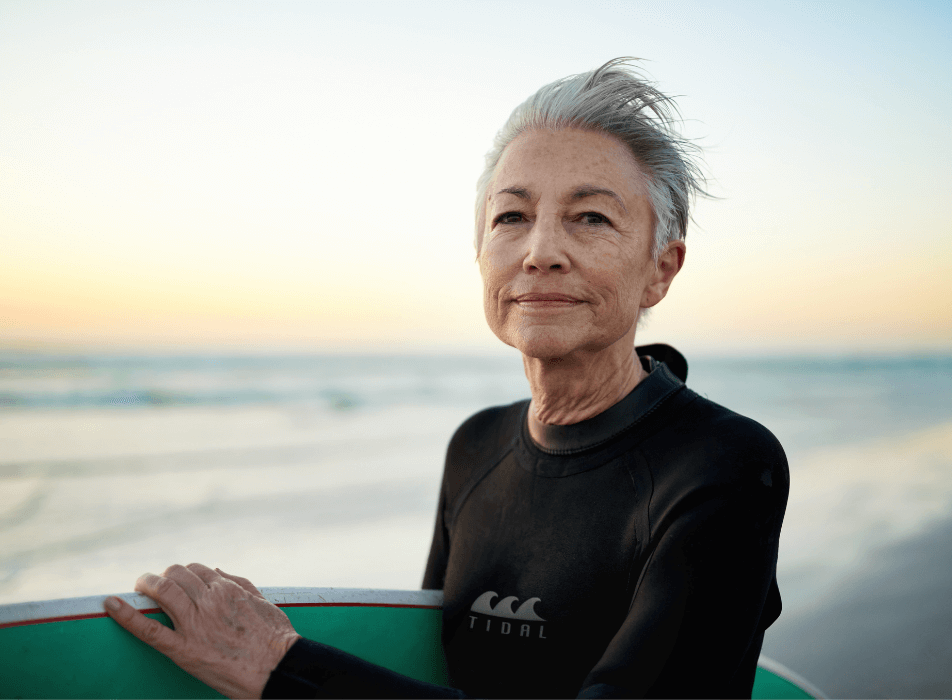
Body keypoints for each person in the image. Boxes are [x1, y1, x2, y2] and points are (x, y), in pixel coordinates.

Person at [103, 57, 789, 698]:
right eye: (512, 217)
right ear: (481, 254)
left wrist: (282, 668)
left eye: (591, 218)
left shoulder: (724, 467)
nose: (541, 252)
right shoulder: (476, 448)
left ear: (661, 269)